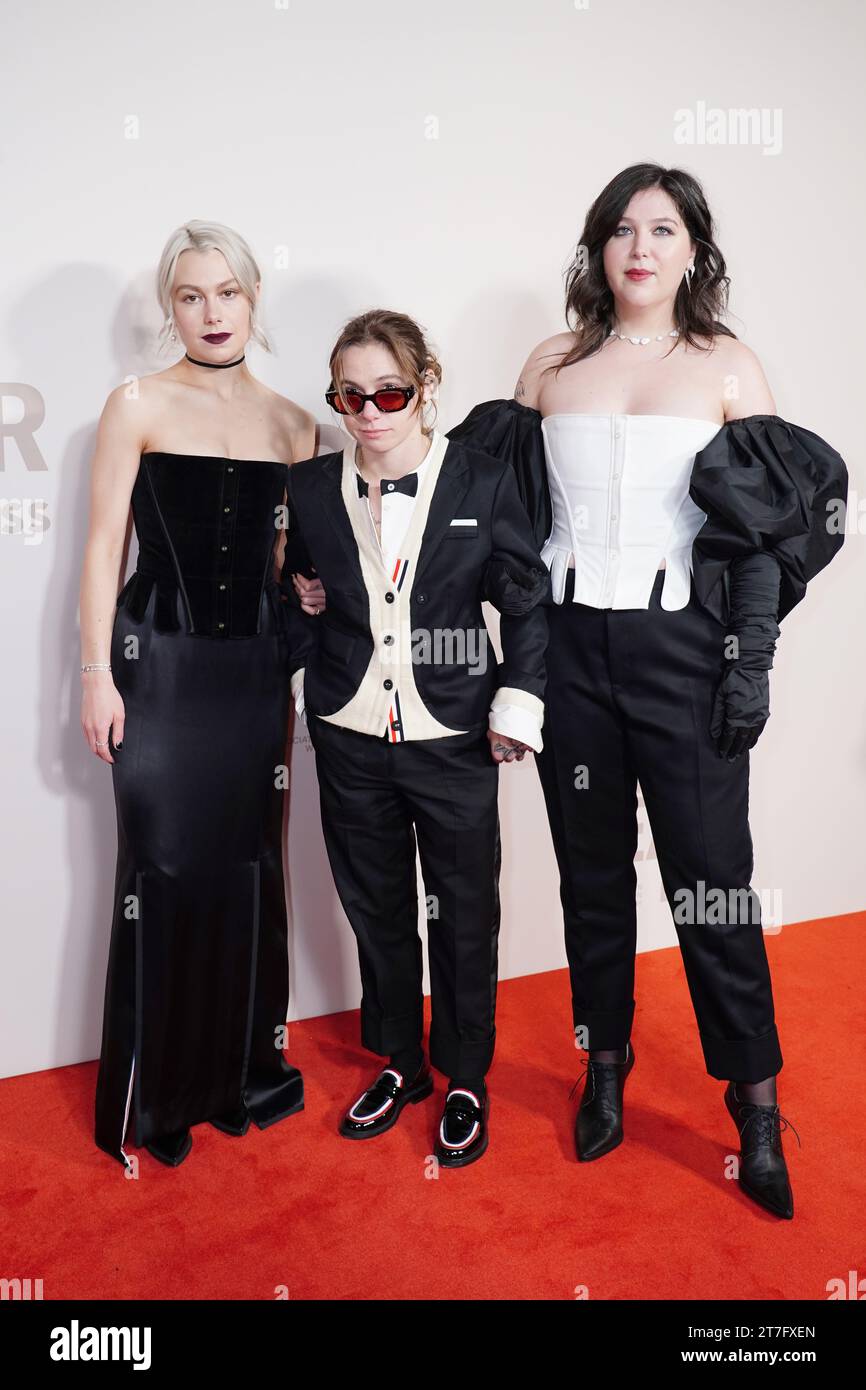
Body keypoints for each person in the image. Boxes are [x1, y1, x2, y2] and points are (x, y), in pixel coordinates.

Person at [447, 164, 848, 1217]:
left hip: (684, 653)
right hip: (568, 654)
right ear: (597, 248)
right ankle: (605, 1066)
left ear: (691, 250)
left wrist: (747, 661)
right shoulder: (550, 365)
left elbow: (762, 536)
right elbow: (481, 517)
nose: (640, 246)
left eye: (661, 229)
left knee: (710, 884)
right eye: (621, 228)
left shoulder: (725, 365)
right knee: (589, 879)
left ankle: (754, 1111)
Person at [279, 308, 549, 1167]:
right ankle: (401, 1063)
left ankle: (465, 1075)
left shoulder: (479, 479)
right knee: (377, 910)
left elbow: (527, 598)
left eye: (388, 392)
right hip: (351, 731)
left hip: (454, 734)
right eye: (349, 395)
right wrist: (303, 629)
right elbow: (301, 582)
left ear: (424, 389)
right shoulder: (315, 487)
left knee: (466, 911)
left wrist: (517, 702)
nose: (368, 411)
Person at [83, 220, 323, 1168]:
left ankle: (238, 1077)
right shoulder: (135, 403)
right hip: (159, 668)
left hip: (254, 678)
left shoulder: (294, 422)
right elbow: (104, 549)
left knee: (250, 875)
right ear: (168, 307)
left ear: (253, 299)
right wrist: (96, 674)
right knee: (163, 872)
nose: (211, 312)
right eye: (191, 296)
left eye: (227, 293)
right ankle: (159, 1096)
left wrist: (303, 594)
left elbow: (284, 563)